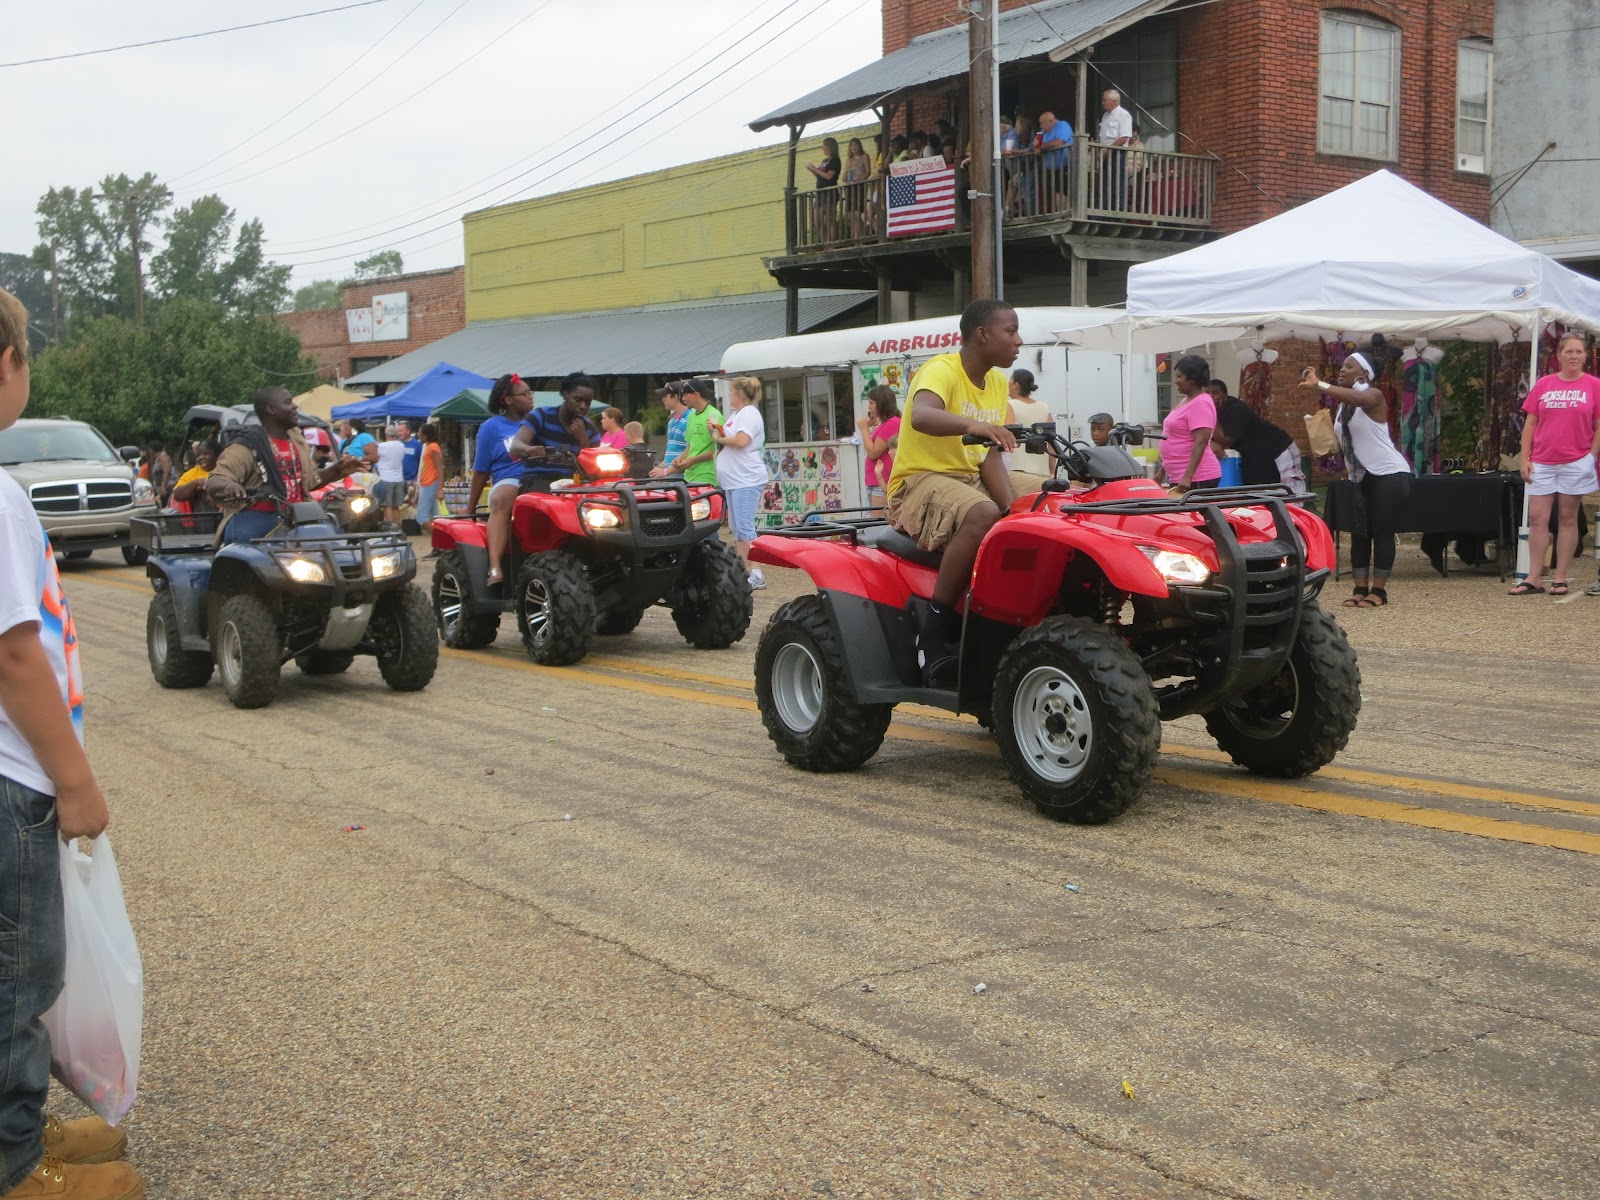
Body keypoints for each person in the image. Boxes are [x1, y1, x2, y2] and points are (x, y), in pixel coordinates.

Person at [0, 288, 146, 1200]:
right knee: (17, 980)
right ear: (6, 363)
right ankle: (15, 1168)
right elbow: (14, 658)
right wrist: (75, 780)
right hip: (9, 778)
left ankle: (17, 1126)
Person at [886, 299, 1022, 683]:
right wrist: (972, 426)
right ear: (982, 335)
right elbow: (921, 415)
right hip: (918, 481)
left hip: (966, 477)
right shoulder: (942, 369)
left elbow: (987, 455)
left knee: (1048, 497)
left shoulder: (996, 382)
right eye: (1011, 331)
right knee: (982, 513)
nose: (1018, 341)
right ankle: (932, 631)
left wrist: (1012, 509)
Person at [1298, 350, 1413, 607]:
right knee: (1360, 532)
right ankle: (1360, 588)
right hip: (1359, 476)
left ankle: (1379, 592)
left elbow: (1357, 398)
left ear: (1364, 373)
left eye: (1349, 366)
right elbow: (1348, 440)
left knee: (1381, 531)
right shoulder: (1342, 407)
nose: (1342, 369)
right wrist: (1325, 441)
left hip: (1388, 473)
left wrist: (1320, 385)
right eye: (1343, 365)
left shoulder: (1373, 395)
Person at [206, 388, 365, 545]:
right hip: (258, 515)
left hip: (299, 515)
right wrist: (228, 485)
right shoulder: (247, 445)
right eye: (288, 402)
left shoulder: (296, 440)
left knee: (337, 543)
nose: (295, 406)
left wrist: (338, 469)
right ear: (271, 409)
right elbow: (214, 481)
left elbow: (308, 481)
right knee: (246, 547)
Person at [1512, 333, 1600, 597]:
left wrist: (1591, 457)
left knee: (1567, 518)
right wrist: (1524, 458)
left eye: (1579, 352)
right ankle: (1534, 576)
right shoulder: (1544, 384)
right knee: (1537, 518)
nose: (1574, 356)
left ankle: (1560, 576)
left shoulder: (1594, 385)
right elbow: (1530, 423)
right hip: (1543, 461)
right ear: (1559, 355)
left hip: (1576, 461)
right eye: (1569, 351)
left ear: (1585, 356)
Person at [466, 373, 536, 587]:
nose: (530, 397)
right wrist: (470, 507)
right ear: (508, 400)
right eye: (524, 394)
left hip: (539, 478)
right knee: (503, 498)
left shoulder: (537, 421)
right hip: (510, 479)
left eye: (530, 392)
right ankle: (495, 566)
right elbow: (481, 470)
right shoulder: (491, 427)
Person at [710, 376, 769, 589]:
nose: (729, 395)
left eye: (732, 391)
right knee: (738, 528)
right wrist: (718, 430)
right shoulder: (738, 414)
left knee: (745, 527)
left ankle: (756, 572)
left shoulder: (749, 414)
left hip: (745, 478)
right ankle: (745, 572)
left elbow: (742, 441)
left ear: (740, 394)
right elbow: (734, 437)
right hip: (735, 479)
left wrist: (719, 438)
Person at [513, 371, 602, 495]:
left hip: (574, 483)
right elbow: (515, 446)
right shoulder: (541, 416)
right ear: (565, 394)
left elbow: (593, 471)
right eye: (578, 400)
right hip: (538, 480)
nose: (583, 406)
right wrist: (528, 449)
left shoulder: (591, 431)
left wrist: (583, 440)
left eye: (588, 402)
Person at [1206, 381, 1305, 492]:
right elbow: (1200, 435)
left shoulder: (1237, 409)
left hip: (1279, 449)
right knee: (1257, 493)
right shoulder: (1211, 411)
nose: (1211, 397)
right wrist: (1211, 442)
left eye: (1215, 392)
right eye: (1207, 393)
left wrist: (1211, 414)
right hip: (1254, 456)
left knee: (1290, 493)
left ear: (1225, 395)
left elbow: (1226, 442)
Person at [1159, 355, 1222, 494]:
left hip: (1198, 478)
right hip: (1179, 476)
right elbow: (1174, 438)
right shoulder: (1188, 400)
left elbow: (1201, 442)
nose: (1176, 381)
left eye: (1179, 376)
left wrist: (1188, 477)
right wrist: (1161, 472)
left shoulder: (1200, 404)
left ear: (1192, 379)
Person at [1005, 368, 1055, 487]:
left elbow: (1007, 439)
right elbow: (1052, 444)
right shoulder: (1044, 408)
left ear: (1016, 385)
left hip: (1018, 473)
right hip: (1042, 473)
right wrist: (1052, 471)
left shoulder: (1010, 405)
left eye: (1010, 380)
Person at [670, 380, 723, 486]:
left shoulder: (714, 415)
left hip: (707, 475)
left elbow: (719, 449)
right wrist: (680, 458)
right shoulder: (691, 417)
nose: (683, 399)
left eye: (685, 395)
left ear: (696, 394)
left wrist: (694, 460)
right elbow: (691, 446)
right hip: (689, 476)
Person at [856, 385, 901, 512]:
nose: (869, 406)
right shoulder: (887, 423)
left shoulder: (892, 423)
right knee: (872, 521)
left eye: (871, 403)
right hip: (876, 481)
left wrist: (864, 429)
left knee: (878, 522)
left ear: (881, 404)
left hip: (882, 481)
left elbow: (873, 453)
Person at [1096, 88, 1134, 209]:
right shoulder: (1105, 116)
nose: (1102, 103)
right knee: (1104, 184)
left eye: (1105, 100)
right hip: (1106, 154)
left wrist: (1107, 151)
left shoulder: (1123, 115)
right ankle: (1104, 212)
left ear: (1114, 101)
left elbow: (1124, 138)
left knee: (1116, 185)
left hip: (1117, 154)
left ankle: (1117, 213)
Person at [650, 383, 690, 479]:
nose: (662, 400)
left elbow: (690, 452)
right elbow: (672, 451)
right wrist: (660, 467)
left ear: (675, 397)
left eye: (665, 396)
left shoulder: (690, 418)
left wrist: (665, 472)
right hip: (670, 478)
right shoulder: (671, 421)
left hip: (683, 478)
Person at [414, 422, 444, 548]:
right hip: (428, 483)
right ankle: (440, 545)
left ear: (425, 435)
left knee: (421, 517)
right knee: (435, 517)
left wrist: (440, 489)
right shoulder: (430, 446)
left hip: (430, 483)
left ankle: (441, 542)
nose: (418, 434)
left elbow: (439, 467)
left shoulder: (433, 447)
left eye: (419, 432)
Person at [170, 439, 220, 513]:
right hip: (205, 516)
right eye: (198, 455)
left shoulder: (227, 469)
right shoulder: (192, 474)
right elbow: (177, 495)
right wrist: (196, 482)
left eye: (206, 454)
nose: (201, 457)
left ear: (217, 455)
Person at [1037, 111, 1073, 212]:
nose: (1041, 126)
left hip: (1066, 165)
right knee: (1057, 191)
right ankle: (1060, 214)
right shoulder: (1042, 131)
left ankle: (1066, 214)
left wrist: (1042, 146)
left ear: (1051, 121)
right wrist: (1036, 147)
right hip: (1052, 168)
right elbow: (1036, 146)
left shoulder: (1062, 125)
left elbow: (1059, 142)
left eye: (1042, 123)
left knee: (1064, 191)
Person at [373, 426, 408, 525]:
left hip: (385, 478)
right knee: (396, 506)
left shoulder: (381, 446)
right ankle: (397, 527)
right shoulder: (401, 445)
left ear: (386, 434)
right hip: (399, 478)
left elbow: (375, 458)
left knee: (387, 505)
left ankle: (390, 527)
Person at [145, 439, 173, 504]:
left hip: (167, 488)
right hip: (161, 488)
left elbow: (166, 471)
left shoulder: (162, 456)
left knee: (166, 503)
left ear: (152, 449)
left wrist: (163, 486)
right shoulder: (157, 458)